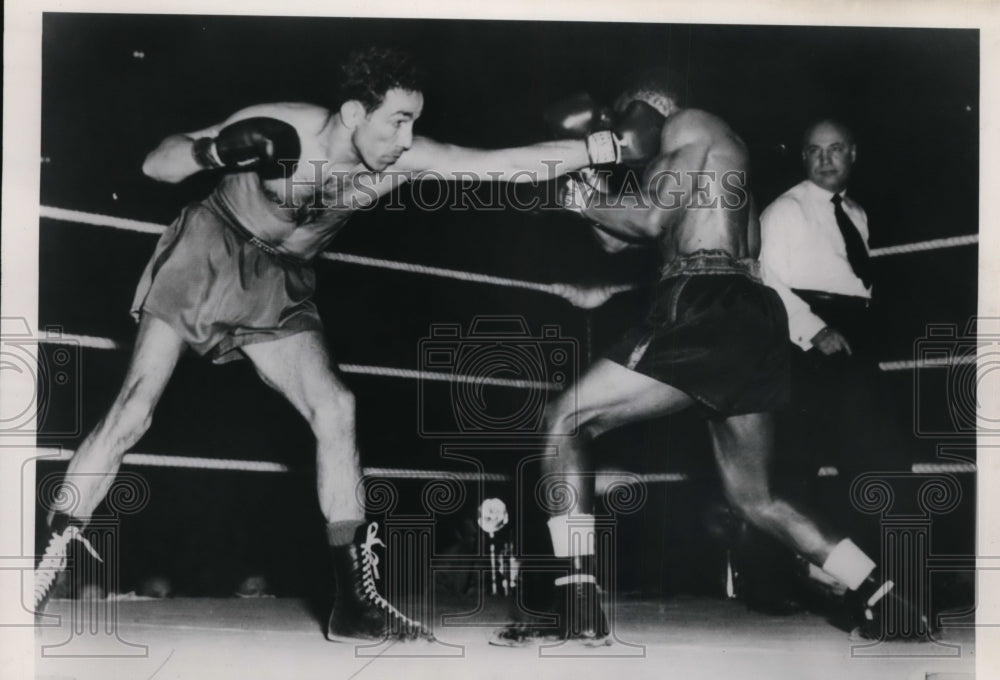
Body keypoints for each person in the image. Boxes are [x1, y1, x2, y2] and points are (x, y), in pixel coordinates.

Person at [36, 46, 652, 642]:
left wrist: (605, 145)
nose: (406, 138)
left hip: (281, 284)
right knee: (136, 407)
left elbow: (492, 164)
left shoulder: (396, 160)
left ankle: (354, 604)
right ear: (356, 113)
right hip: (212, 246)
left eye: (413, 122)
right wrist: (213, 150)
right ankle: (39, 569)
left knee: (337, 409)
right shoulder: (288, 129)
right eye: (397, 122)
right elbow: (157, 162)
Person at [491, 71, 924, 646]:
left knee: (563, 421)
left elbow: (646, 220)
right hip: (748, 316)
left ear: (644, 110)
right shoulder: (712, 159)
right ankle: (884, 597)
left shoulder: (691, 122)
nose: (618, 136)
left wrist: (573, 192)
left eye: (621, 123)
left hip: (705, 303)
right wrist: (586, 181)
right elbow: (619, 238)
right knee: (756, 498)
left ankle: (577, 602)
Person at [760, 119, 908, 496]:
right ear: (803, 157)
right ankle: (798, 553)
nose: (825, 159)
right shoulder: (785, 210)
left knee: (873, 454)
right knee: (800, 460)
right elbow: (763, 278)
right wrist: (814, 330)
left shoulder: (856, 212)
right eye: (815, 150)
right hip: (809, 340)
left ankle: (866, 549)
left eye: (835, 148)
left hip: (855, 333)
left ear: (853, 154)